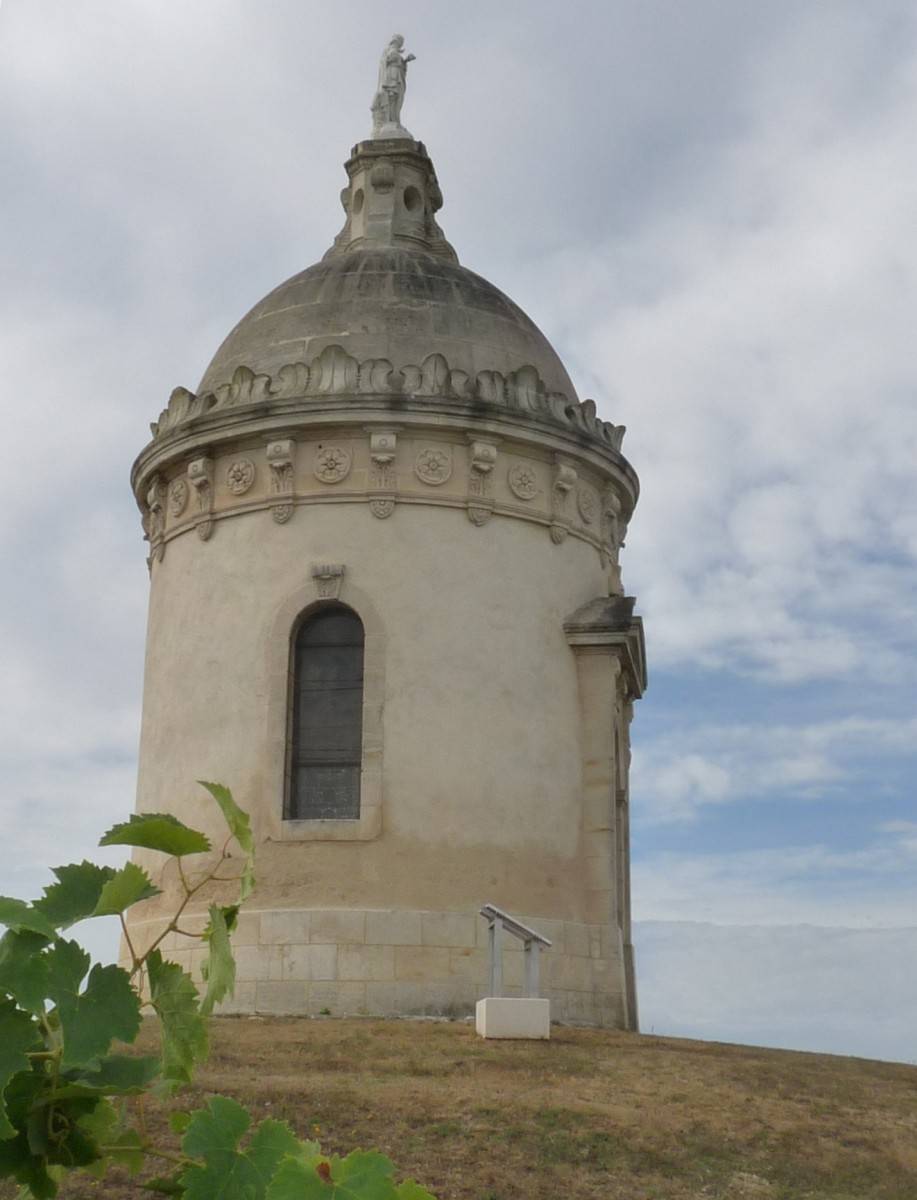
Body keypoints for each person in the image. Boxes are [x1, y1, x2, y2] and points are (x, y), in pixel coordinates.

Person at [371, 35, 415, 137]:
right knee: (391, 96)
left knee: (396, 98)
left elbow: (398, 63)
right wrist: (397, 57)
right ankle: (388, 120)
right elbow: (388, 60)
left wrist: (405, 61)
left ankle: (394, 120)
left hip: (397, 74)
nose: (400, 44)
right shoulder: (389, 50)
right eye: (399, 42)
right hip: (391, 75)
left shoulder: (395, 51)